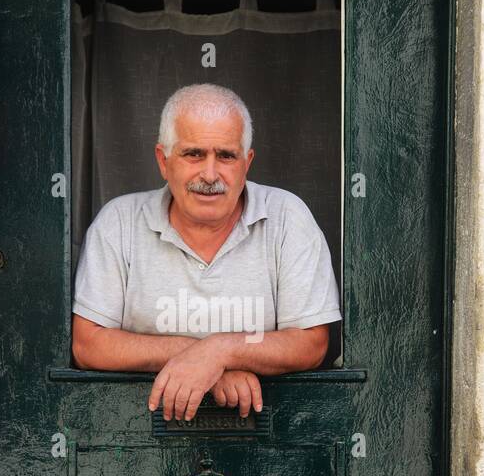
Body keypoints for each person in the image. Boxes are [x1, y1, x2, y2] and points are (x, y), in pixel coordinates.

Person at [72, 83, 341, 421]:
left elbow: (311, 343)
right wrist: (196, 357)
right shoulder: (119, 222)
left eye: (226, 156)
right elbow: (88, 344)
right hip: (135, 429)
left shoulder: (288, 217)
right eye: (194, 154)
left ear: (247, 162)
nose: (210, 174)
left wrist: (221, 351)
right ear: (163, 160)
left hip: (266, 435)